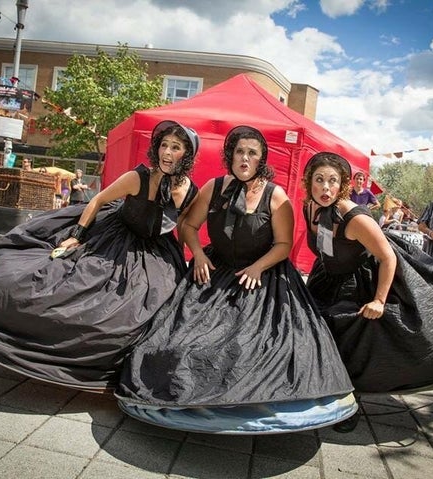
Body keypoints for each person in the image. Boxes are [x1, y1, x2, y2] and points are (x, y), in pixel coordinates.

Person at [117, 127, 356, 434]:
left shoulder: (276, 195)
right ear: (230, 155)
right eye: (240, 151)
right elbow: (188, 226)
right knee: (178, 338)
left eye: (252, 153)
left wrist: (258, 268)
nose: (245, 158)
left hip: (263, 275)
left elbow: (283, 244)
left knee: (254, 345)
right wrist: (199, 256)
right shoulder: (214, 187)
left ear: (262, 159)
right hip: (216, 271)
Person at [0, 120, 200, 390]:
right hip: (115, 237)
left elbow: (183, 227)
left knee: (158, 301)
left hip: (155, 249)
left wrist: (191, 258)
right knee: (73, 286)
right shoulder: (138, 177)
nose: (167, 152)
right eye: (164, 145)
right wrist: (77, 236)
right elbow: (98, 200)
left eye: (175, 147)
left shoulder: (190, 191)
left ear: (186, 155)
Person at [301, 152, 433, 432]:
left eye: (333, 181)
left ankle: (348, 403)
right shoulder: (310, 207)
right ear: (310, 182)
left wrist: (379, 300)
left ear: (343, 184)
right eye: (319, 180)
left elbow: (388, 258)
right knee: (314, 332)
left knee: (348, 342)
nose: (326, 188)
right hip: (326, 278)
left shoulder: (354, 217)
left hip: (358, 282)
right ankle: (321, 390)